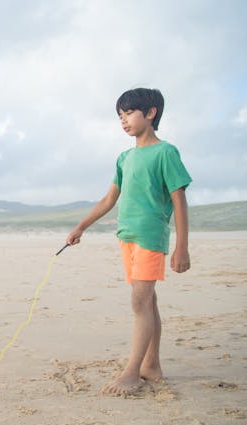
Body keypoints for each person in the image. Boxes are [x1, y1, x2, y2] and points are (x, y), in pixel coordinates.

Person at [65, 88, 192, 396]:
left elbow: (179, 200)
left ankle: (132, 372)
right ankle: (152, 365)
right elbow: (110, 198)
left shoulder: (166, 152)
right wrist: (81, 226)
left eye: (129, 114)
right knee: (148, 301)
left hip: (151, 236)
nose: (123, 121)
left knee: (139, 302)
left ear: (150, 113)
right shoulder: (124, 157)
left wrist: (182, 246)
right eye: (119, 116)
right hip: (127, 237)